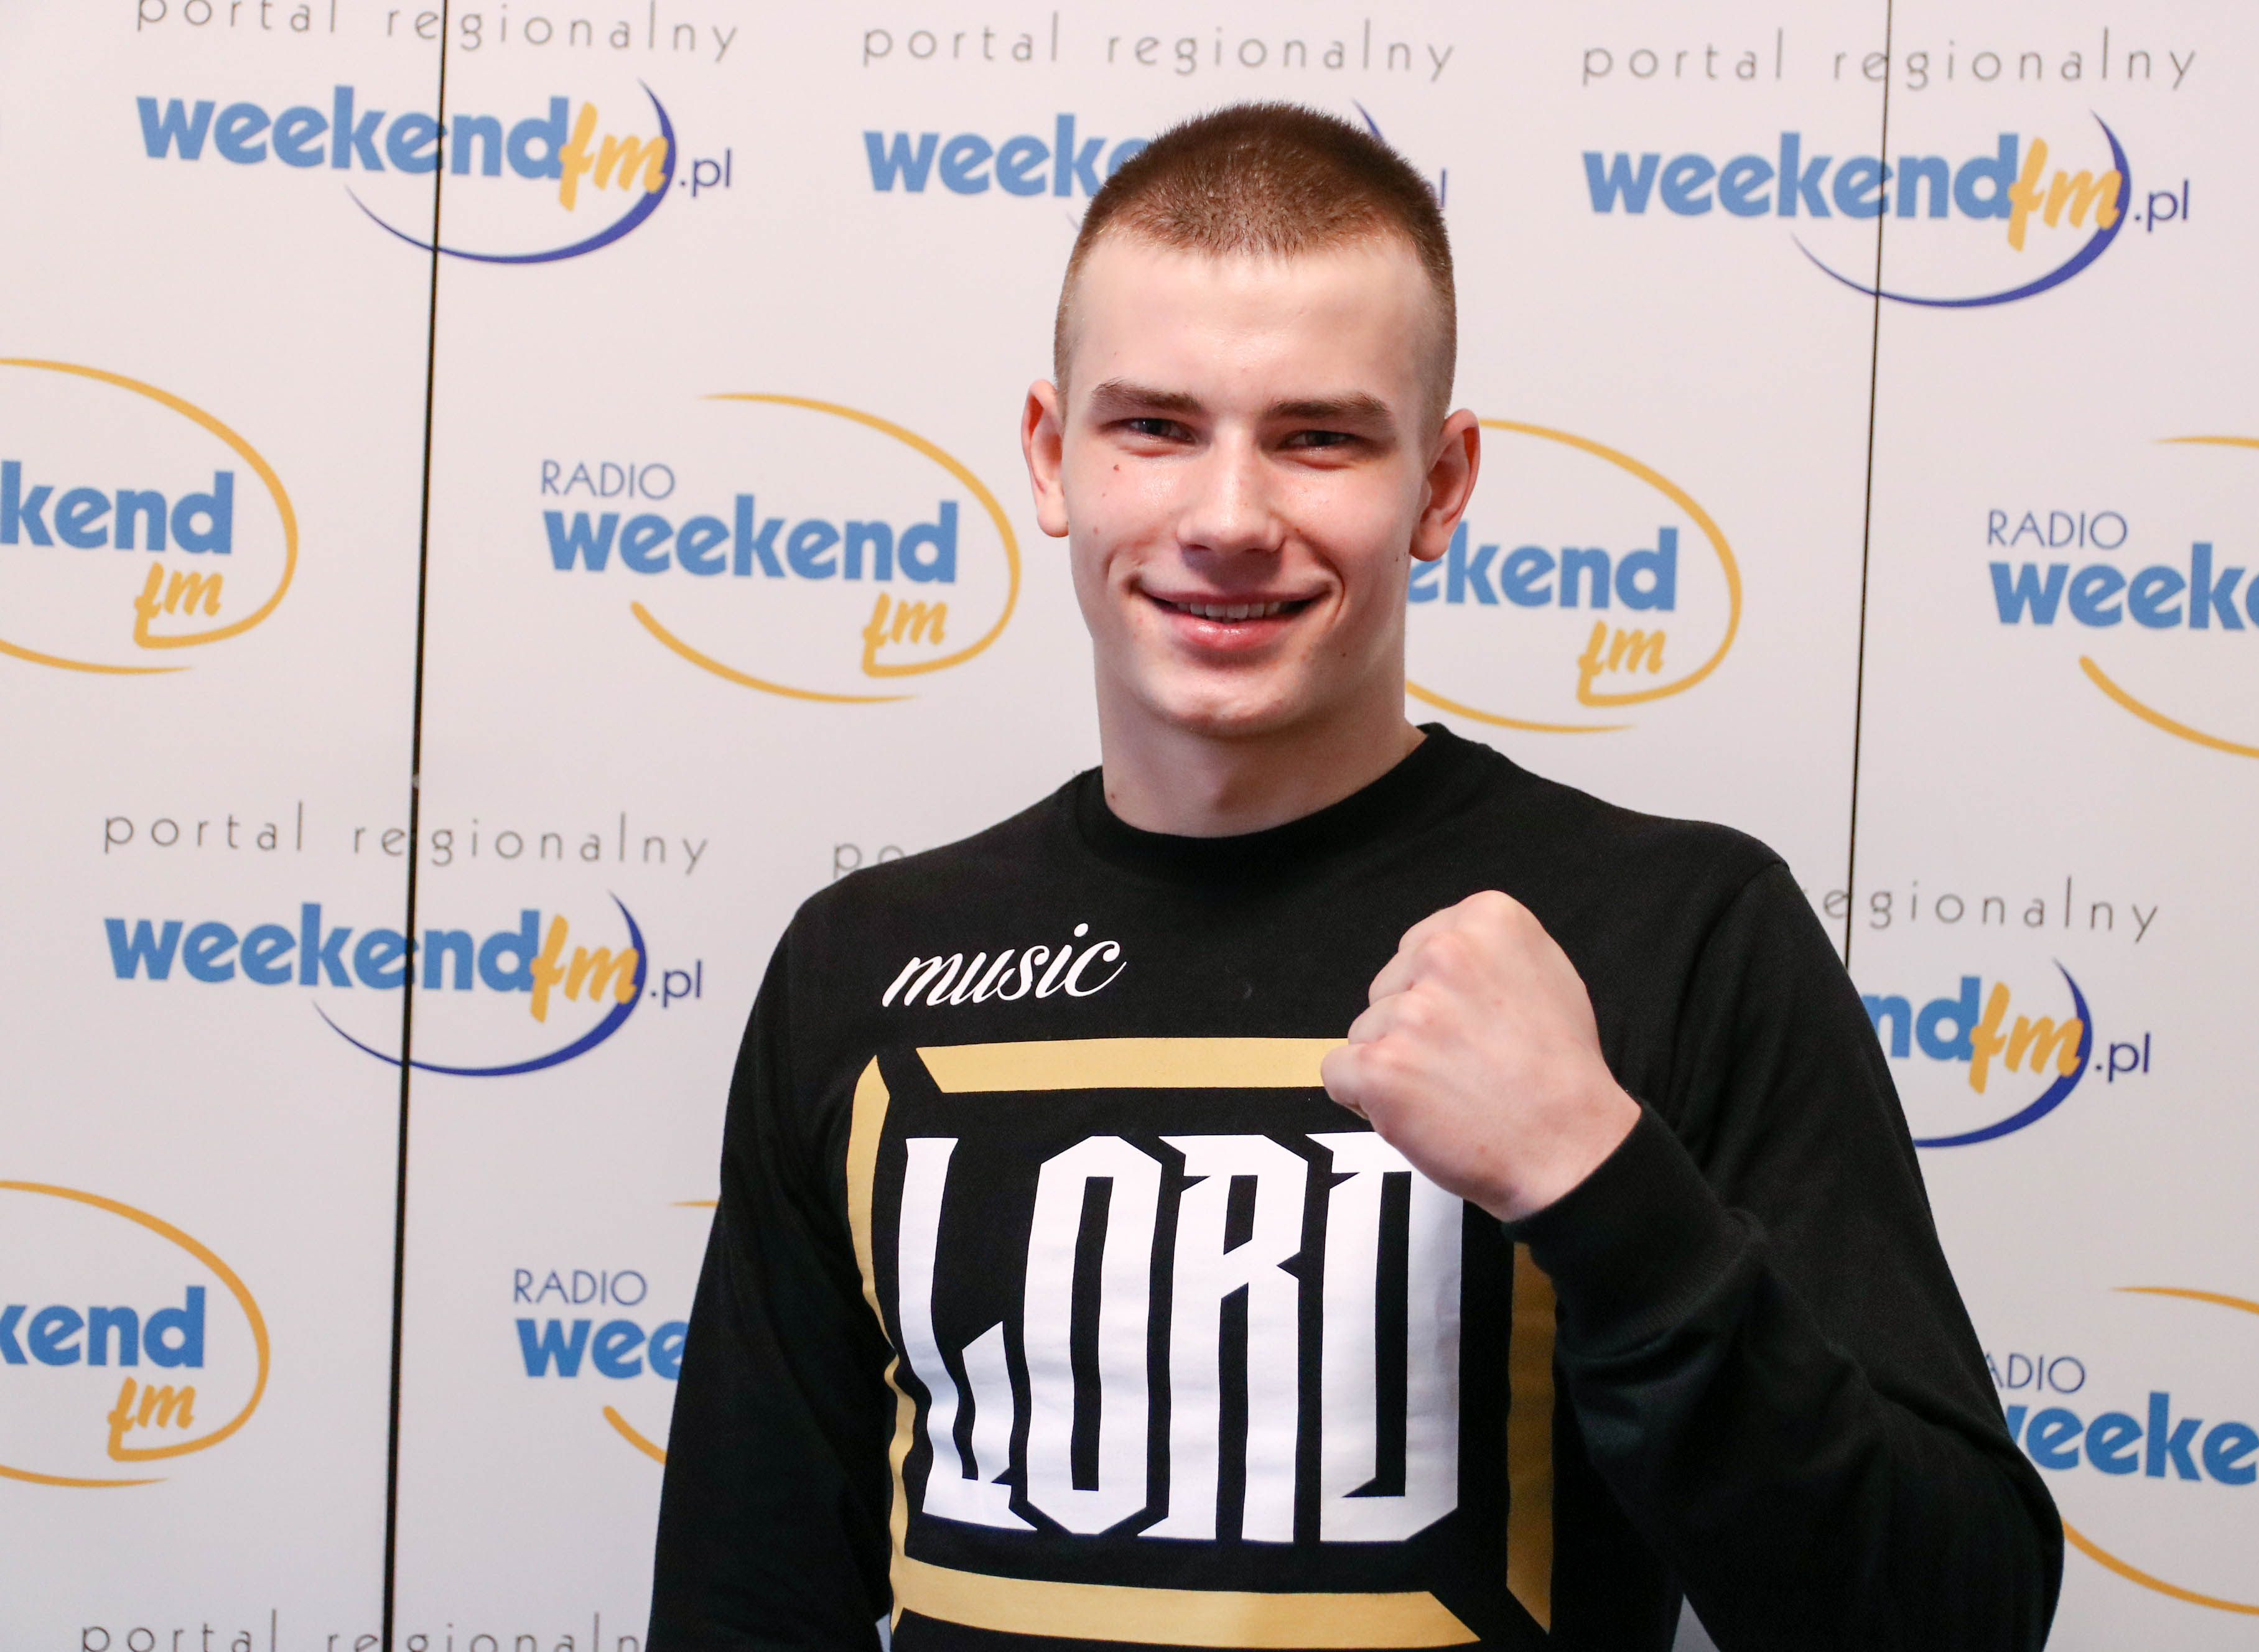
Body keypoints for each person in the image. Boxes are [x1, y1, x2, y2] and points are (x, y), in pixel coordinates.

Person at [649, 103, 2061, 1652]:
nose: (1228, 521)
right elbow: (746, 1600)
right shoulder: (863, 963)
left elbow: (1955, 1617)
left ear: (1441, 486)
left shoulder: (1679, 932)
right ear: (1053, 457)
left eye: (1318, 436)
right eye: (1155, 427)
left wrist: (1598, 1175)